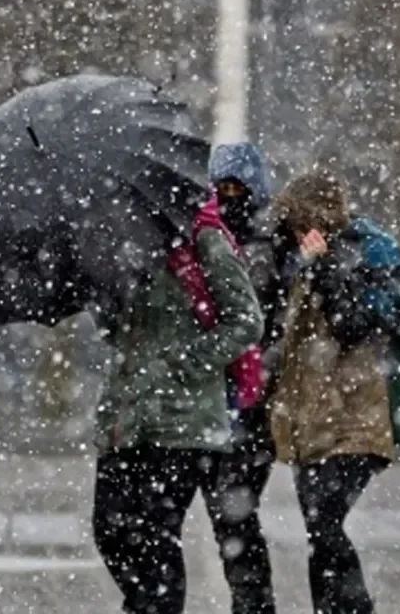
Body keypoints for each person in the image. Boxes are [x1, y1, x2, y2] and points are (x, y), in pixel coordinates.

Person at [264, 169, 400, 614]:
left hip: (359, 416)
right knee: (317, 529)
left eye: (297, 224)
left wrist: (326, 269)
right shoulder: (291, 258)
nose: (293, 235)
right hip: (310, 418)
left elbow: (354, 326)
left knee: (325, 523)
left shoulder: (363, 254)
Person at [92, 189, 265, 614]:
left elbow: (246, 320)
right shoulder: (122, 242)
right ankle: (146, 606)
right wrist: (107, 300)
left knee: (154, 540)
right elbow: (121, 332)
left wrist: (186, 364)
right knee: (109, 529)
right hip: (126, 418)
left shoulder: (203, 240)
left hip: (183, 422)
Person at [204, 142, 277, 614]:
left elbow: (267, 322)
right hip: (214, 402)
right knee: (230, 520)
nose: (230, 197)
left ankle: (253, 606)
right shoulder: (204, 241)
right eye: (221, 188)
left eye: (238, 188)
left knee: (235, 520)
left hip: (249, 405)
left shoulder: (270, 246)